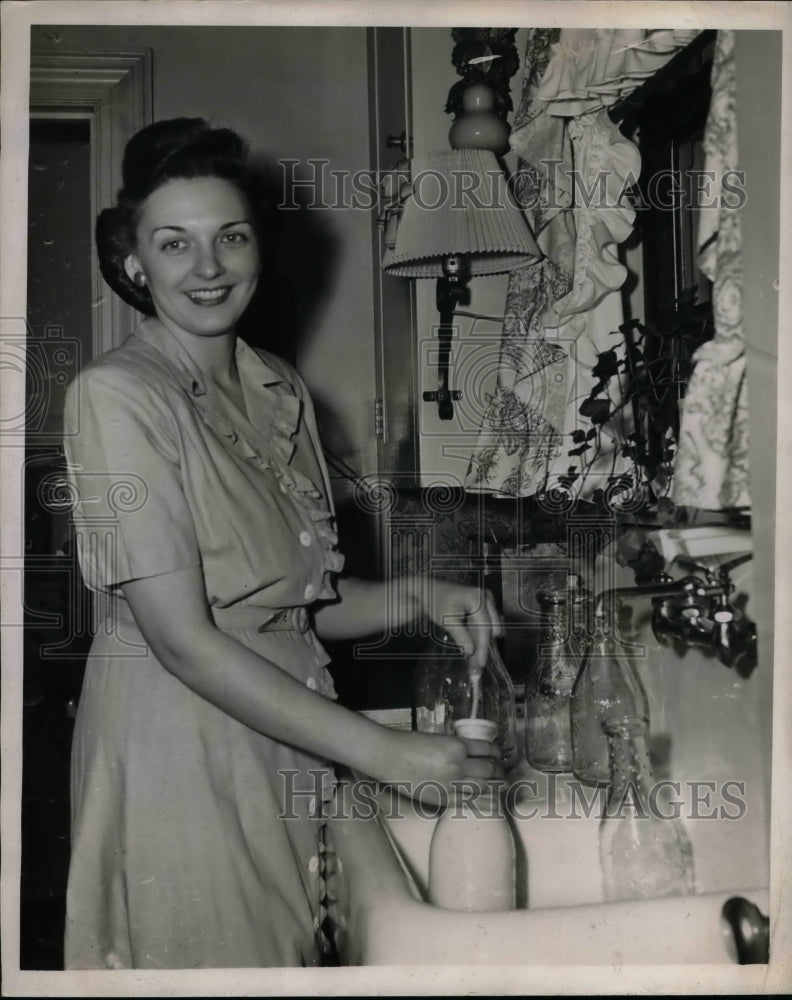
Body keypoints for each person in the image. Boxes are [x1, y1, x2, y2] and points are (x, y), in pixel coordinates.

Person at [62, 118, 502, 970]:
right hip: (180, 742)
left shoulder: (277, 387)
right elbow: (183, 640)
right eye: (174, 243)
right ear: (133, 264)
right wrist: (382, 751)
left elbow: (293, 606)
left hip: (285, 729)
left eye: (230, 237)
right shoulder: (116, 397)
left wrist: (421, 596)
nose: (209, 267)